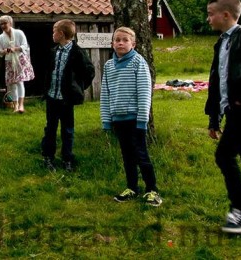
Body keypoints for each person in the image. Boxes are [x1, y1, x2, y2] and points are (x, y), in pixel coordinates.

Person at [100, 27, 162, 207]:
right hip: (118, 120)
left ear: (133, 44)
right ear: (112, 43)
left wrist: (142, 120)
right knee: (127, 156)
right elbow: (106, 94)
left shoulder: (138, 62)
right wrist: (106, 120)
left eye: (125, 40)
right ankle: (132, 187)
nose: (120, 43)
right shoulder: (108, 66)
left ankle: (152, 190)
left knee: (141, 155)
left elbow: (144, 92)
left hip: (135, 119)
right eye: (117, 40)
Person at [205, 0, 241, 233]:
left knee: (224, 156)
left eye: (211, 14)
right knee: (226, 156)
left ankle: (239, 210)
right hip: (231, 113)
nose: (208, 19)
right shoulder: (222, 42)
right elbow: (216, 81)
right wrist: (214, 118)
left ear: (226, 15)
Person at [41, 19, 95, 172]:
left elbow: (89, 72)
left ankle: (67, 159)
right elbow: (48, 71)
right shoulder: (53, 51)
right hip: (52, 97)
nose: (52, 34)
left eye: (54, 31)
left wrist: (78, 87)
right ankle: (48, 157)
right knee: (50, 128)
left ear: (61, 34)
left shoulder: (77, 52)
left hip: (67, 100)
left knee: (67, 130)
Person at [0, 15, 35, 113]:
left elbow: (25, 46)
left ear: (10, 23)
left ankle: (21, 105)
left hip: (20, 59)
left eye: (5, 23)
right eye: (1, 24)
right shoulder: (0, 38)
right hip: (9, 61)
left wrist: (15, 49)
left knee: (20, 81)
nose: (3, 25)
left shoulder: (19, 33)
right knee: (12, 84)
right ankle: (15, 106)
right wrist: (5, 51)